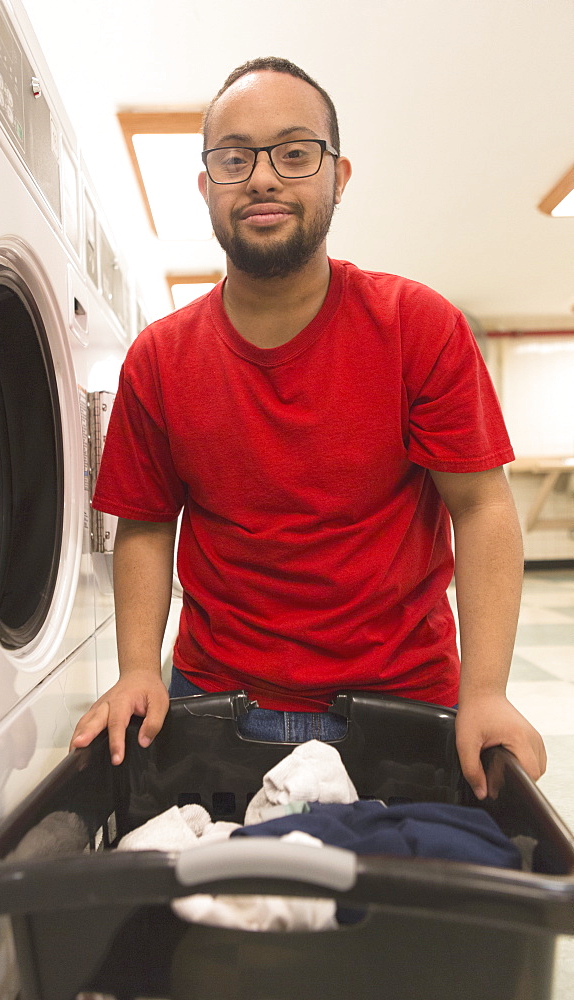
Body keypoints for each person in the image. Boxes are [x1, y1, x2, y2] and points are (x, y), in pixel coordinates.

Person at [71, 57, 546, 799]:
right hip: (212, 699)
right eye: (235, 158)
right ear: (206, 188)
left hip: (406, 700)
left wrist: (486, 691)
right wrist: (137, 668)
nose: (263, 178)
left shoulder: (418, 326)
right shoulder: (160, 358)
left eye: (295, 153)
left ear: (338, 176)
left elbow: (481, 507)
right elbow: (145, 522)